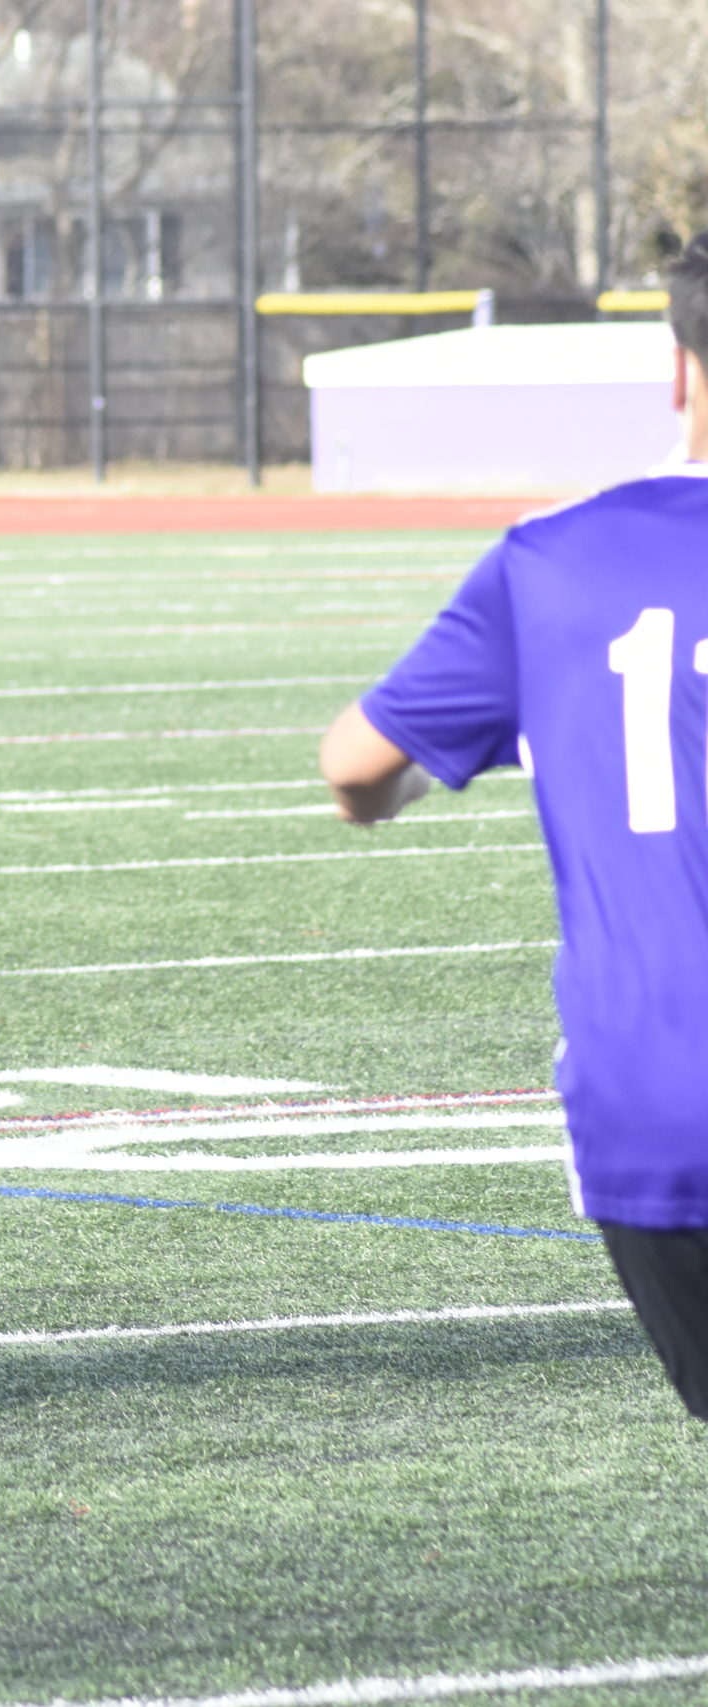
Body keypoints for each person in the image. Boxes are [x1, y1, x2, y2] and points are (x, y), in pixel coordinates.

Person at [318, 231, 708, 1421]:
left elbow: (352, 767)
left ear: (679, 367)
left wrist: (422, 774)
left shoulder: (554, 561)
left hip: (653, 1100)